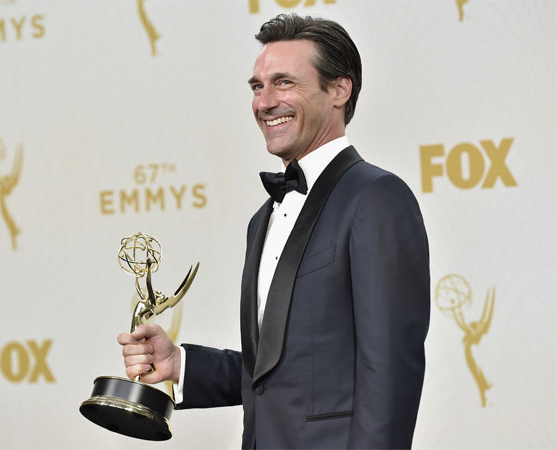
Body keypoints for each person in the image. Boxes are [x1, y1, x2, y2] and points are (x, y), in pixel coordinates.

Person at [118, 14, 430, 449]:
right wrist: (181, 363)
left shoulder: (376, 198)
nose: (264, 102)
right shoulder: (263, 218)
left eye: (284, 83)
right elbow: (276, 374)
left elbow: (391, 372)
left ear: (339, 90)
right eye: (257, 86)